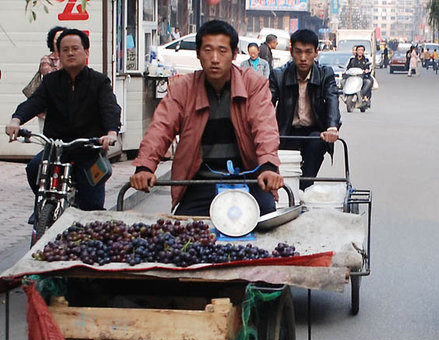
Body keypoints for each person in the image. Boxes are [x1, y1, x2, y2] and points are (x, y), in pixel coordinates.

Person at [129, 20, 283, 216]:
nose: (215, 58)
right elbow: (161, 128)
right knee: (184, 232)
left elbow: (265, 127)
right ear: (198, 53)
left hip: (250, 178)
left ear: (234, 54)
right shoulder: (182, 88)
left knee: (267, 224)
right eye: (208, 50)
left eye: (222, 51)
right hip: (201, 181)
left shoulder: (253, 84)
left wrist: (268, 166)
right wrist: (145, 166)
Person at [5, 28, 121, 213]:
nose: (70, 53)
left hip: (88, 149)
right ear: (58, 54)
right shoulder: (51, 81)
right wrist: (16, 120)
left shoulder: (99, 82)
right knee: (34, 167)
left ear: (86, 52)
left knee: (93, 205)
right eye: (65, 50)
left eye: (75, 48)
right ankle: (43, 208)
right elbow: (34, 102)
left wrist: (111, 133)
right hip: (57, 149)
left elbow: (110, 109)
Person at [269, 29, 340, 190]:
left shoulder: (324, 74)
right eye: (298, 52)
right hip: (286, 131)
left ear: (316, 53)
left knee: (316, 146)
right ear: (291, 51)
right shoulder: (278, 75)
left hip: (314, 132)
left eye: (308, 52)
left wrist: (332, 127)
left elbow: (332, 98)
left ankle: (303, 192)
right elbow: (267, 104)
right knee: (282, 171)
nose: (303, 58)